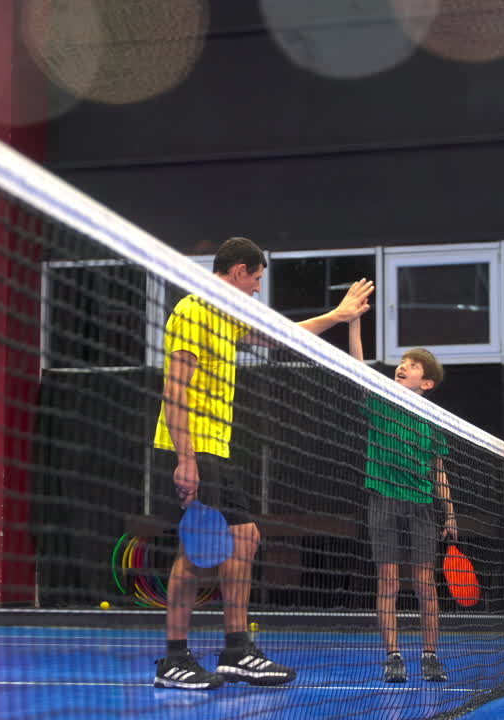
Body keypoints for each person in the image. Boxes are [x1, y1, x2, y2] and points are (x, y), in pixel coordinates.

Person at [152, 237, 375, 690]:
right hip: (191, 447)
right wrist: (186, 459)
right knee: (197, 552)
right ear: (238, 271)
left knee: (245, 538)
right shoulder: (193, 310)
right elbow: (175, 388)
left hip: (216, 448)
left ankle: (235, 650)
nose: (256, 290)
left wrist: (336, 316)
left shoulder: (225, 314)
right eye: (255, 280)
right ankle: (174, 658)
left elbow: (279, 336)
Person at [348, 313, 457, 683]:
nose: (402, 367)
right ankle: (393, 656)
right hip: (383, 499)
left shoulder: (432, 419)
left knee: (426, 583)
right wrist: (352, 322)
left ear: (425, 383)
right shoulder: (379, 401)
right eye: (402, 363)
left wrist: (451, 514)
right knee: (389, 581)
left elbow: (439, 469)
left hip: (423, 504)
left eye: (412, 366)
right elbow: (357, 364)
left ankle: (430, 655)